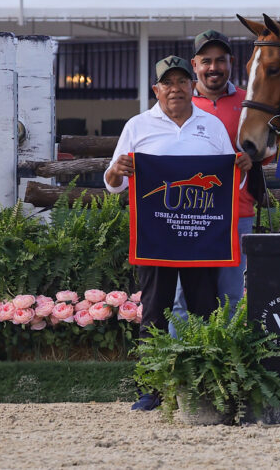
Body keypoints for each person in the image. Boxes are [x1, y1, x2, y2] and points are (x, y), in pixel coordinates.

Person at [104, 55, 251, 412]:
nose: (175, 88)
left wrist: (242, 168)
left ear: (191, 86)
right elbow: (113, 184)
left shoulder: (213, 125)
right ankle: (150, 388)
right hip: (156, 238)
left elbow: (230, 181)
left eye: (182, 81)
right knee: (155, 311)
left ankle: (204, 382)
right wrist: (117, 170)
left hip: (201, 238)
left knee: (204, 310)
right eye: (167, 82)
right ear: (156, 89)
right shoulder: (138, 126)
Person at [169, 30, 254, 334]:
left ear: (231, 62)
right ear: (194, 64)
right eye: (206, 61)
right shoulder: (175, 104)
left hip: (237, 215)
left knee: (231, 295)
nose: (214, 67)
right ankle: (177, 365)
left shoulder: (249, 103)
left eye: (220, 60)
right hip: (188, 217)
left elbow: (265, 151)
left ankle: (226, 366)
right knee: (181, 297)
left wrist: (251, 159)